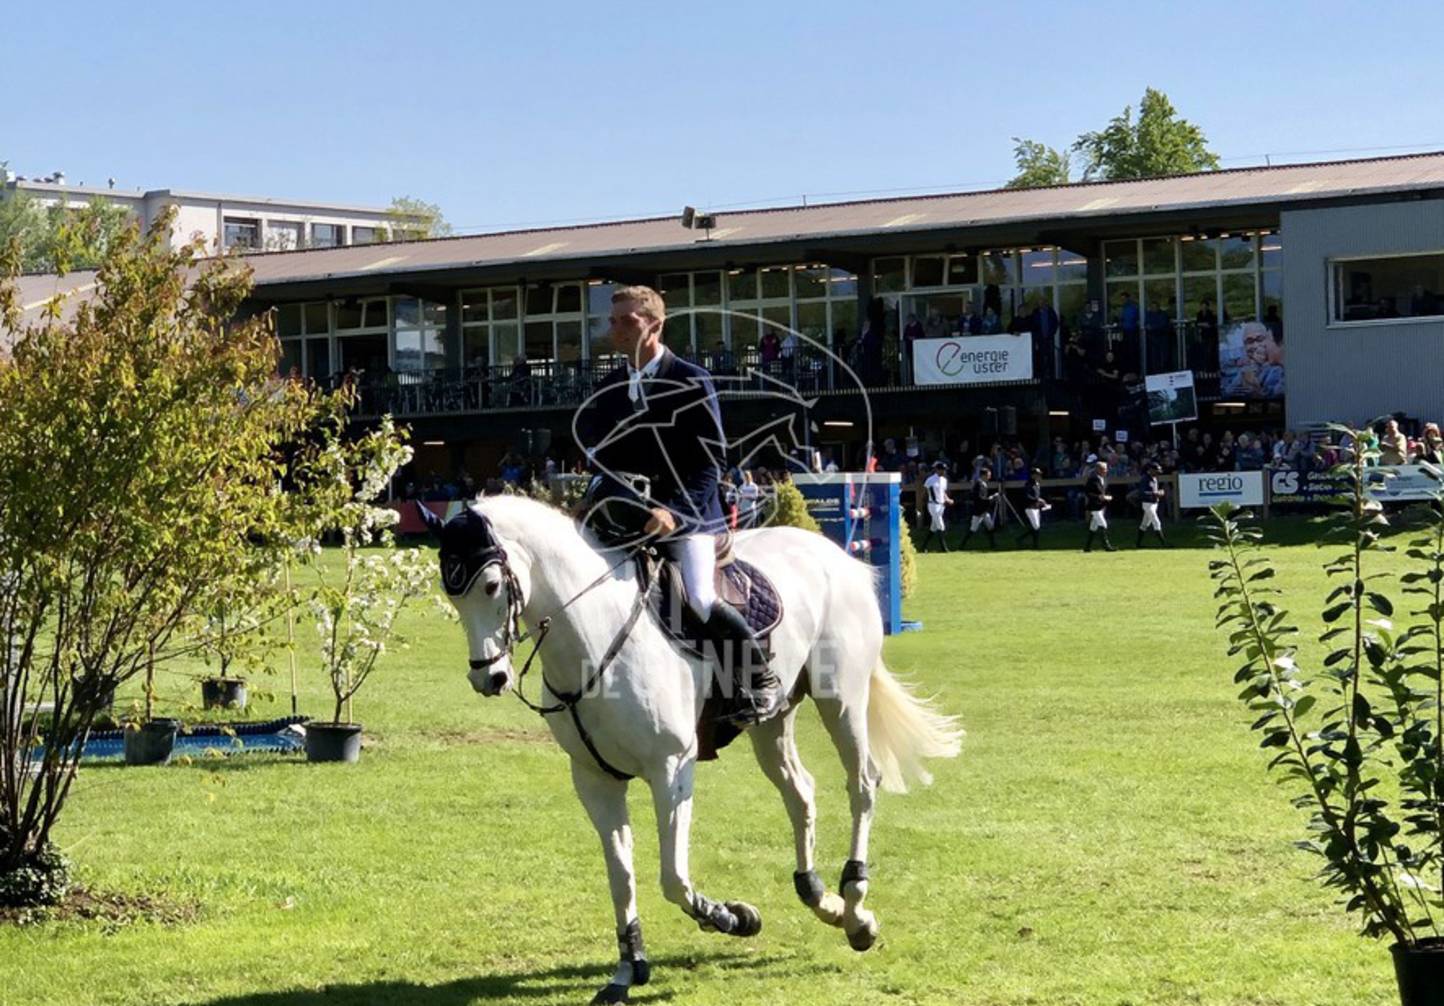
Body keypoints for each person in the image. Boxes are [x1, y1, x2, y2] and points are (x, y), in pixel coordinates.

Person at [574, 284, 781, 726]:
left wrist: (673, 511)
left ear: (655, 324)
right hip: (628, 518)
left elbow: (710, 462)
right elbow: (602, 456)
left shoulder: (690, 379)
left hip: (689, 520)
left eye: (627, 322)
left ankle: (761, 680)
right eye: (612, 322)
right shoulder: (608, 388)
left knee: (702, 600)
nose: (616, 331)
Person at [960, 458, 997, 549]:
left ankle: (993, 544)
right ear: (984, 475)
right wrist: (991, 498)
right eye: (988, 475)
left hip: (983, 509)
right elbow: (980, 498)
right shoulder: (979, 484)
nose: (989, 477)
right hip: (979, 510)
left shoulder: (982, 484)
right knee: (973, 529)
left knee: (990, 526)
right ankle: (962, 545)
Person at [1083, 456, 1116, 553]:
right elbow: (1088, 493)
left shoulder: (1103, 479)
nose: (1106, 471)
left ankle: (1087, 547)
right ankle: (1106, 546)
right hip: (1094, 506)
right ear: (1098, 469)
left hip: (1101, 506)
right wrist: (1099, 497)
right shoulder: (1092, 479)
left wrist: (1106, 497)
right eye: (1104, 469)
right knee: (1103, 524)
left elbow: (1103, 491)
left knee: (1093, 527)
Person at [920, 461, 953, 553]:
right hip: (933, 505)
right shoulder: (930, 480)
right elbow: (925, 492)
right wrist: (922, 502)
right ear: (937, 470)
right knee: (941, 526)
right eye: (942, 470)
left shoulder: (944, 480)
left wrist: (948, 499)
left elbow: (943, 493)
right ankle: (944, 548)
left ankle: (923, 547)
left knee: (933, 528)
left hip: (941, 505)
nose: (944, 472)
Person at [1135, 460, 1168, 548]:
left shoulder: (1155, 478)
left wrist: (1158, 492)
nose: (1158, 472)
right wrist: (1155, 493)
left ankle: (1138, 544)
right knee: (1156, 522)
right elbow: (1142, 492)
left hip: (1154, 503)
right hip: (1147, 504)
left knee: (1144, 524)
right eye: (1157, 470)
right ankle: (1164, 543)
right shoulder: (1145, 479)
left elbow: (1153, 491)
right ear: (1151, 470)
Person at [1016, 466, 1048, 548]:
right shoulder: (1028, 484)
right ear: (1033, 475)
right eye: (1037, 474)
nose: (1039, 476)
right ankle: (1035, 545)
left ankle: (1021, 539)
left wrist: (1041, 500)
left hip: (1036, 507)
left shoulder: (1037, 484)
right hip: (1030, 507)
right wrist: (1037, 500)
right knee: (1036, 526)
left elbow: (1036, 496)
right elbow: (1027, 496)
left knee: (1036, 526)